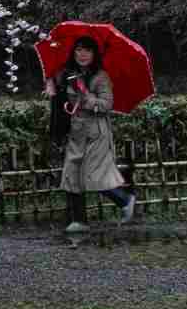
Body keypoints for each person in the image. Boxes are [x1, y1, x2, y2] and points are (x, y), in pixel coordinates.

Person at [46, 36, 140, 231]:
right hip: (76, 130)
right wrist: (50, 85)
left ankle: (125, 199)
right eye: (79, 50)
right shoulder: (66, 73)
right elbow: (54, 86)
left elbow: (107, 104)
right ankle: (79, 220)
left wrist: (87, 97)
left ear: (94, 54)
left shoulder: (101, 77)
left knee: (92, 174)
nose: (82, 55)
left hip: (96, 131)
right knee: (72, 174)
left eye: (87, 51)